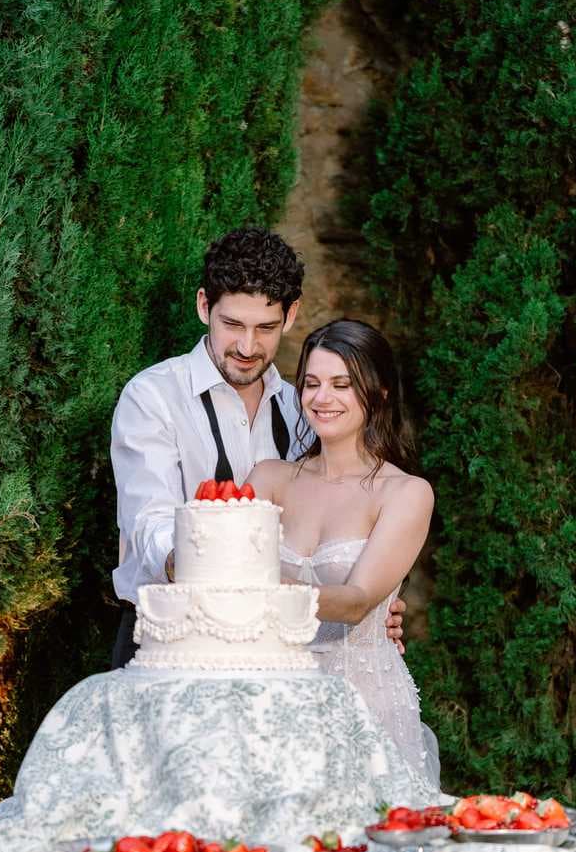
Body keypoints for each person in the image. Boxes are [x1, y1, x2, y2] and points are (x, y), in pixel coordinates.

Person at [110, 228, 407, 667]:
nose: (248, 347)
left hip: (277, 653)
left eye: (266, 328)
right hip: (170, 644)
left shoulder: (305, 409)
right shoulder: (153, 397)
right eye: (232, 325)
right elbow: (148, 524)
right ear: (203, 306)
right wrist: (209, 569)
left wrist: (363, 608)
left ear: (291, 316)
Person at [244, 318, 440, 784]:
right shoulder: (269, 478)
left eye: (341, 384)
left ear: (379, 393)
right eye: (311, 383)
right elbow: (219, 556)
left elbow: (354, 602)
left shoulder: (405, 492)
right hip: (272, 698)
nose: (321, 398)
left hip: (364, 704)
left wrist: (256, 587)